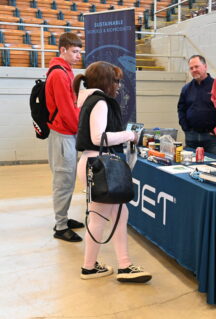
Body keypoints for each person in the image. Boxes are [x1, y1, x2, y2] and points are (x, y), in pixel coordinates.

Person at [74, 61, 152, 282]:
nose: (119, 85)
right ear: (106, 81)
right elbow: (99, 138)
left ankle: (113, 265)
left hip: (93, 163)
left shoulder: (90, 100)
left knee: (117, 213)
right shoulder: (100, 102)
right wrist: (129, 136)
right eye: (116, 80)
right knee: (101, 216)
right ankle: (100, 267)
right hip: (99, 165)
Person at [45, 32, 84, 242]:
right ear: (63, 50)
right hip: (62, 134)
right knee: (63, 180)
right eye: (75, 51)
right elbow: (67, 110)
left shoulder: (66, 71)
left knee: (67, 179)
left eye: (79, 52)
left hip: (67, 133)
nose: (79, 56)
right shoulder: (59, 74)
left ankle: (64, 218)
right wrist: (82, 130)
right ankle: (60, 226)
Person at [177, 55, 216, 154]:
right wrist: (185, 128)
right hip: (191, 136)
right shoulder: (186, 88)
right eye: (191, 68)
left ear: (205, 66)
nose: (194, 70)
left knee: (213, 166)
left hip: (212, 138)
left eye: (197, 66)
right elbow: (181, 109)